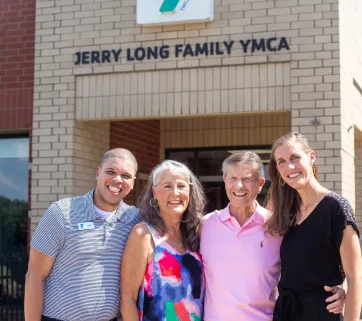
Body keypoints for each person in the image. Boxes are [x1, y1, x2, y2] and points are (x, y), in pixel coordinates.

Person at [200, 150, 346, 320]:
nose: (239, 186)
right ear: (225, 181)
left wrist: (333, 291)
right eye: (233, 179)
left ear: (260, 184)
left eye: (247, 179)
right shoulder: (205, 225)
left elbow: (304, 269)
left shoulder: (277, 227)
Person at [25, 148, 142, 321]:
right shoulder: (61, 213)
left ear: (132, 183)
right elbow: (34, 276)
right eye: (111, 172)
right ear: (98, 172)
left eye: (125, 176)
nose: (117, 180)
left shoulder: (135, 220)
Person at [266, 132, 361, 321]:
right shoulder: (286, 210)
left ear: (311, 158)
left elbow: (355, 277)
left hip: (320, 314)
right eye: (281, 162)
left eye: (295, 158)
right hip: (286, 313)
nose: (289, 167)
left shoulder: (336, 208)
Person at [120, 160, 206, 321]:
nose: (175, 192)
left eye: (181, 186)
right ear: (154, 192)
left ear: (190, 192)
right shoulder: (143, 235)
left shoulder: (198, 233)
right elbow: (127, 299)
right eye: (167, 186)